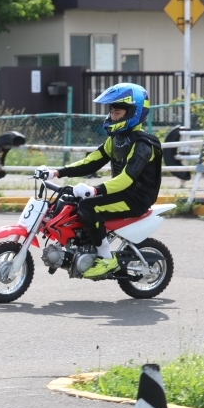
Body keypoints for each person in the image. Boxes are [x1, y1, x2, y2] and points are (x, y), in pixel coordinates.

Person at [43, 82, 162, 279]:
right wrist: (57, 172)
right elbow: (91, 162)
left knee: (89, 207)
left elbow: (126, 179)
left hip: (136, 199)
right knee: (70, 200)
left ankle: (106, 258)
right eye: (112, 112)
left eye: (118, 113)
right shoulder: (115, 139)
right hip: (121, 194)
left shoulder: (143, 144)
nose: (113, 117)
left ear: (134, 112)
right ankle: (80, 249)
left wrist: (95, 190)